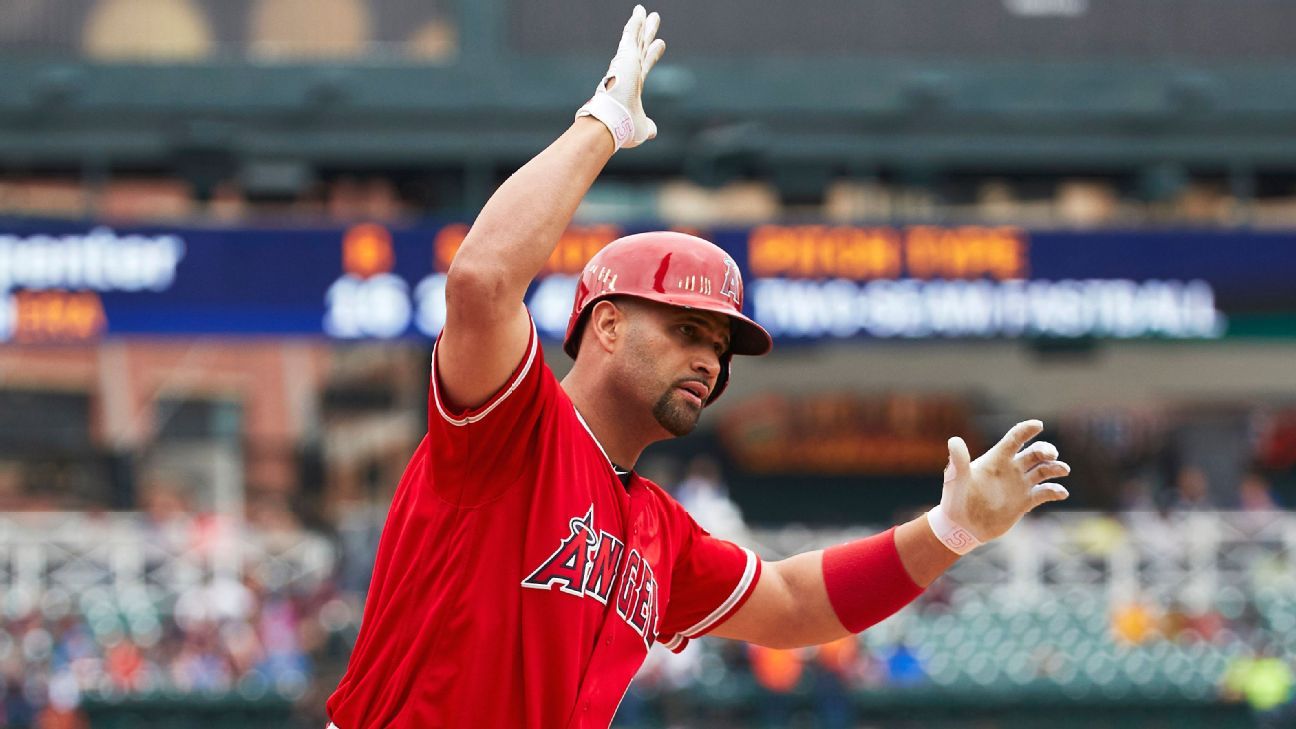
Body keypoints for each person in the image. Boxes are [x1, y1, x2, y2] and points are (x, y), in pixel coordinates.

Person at [324, 6, 1071, 727]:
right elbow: (482, 280)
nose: (709, 359)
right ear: (607, 323)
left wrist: (952, 529)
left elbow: (793, 603)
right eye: (687, 329)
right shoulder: (512, 428)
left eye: (720, 345)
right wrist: (605, 125)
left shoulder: (661, 532)